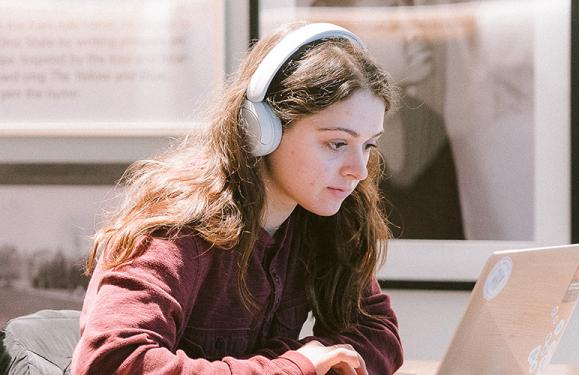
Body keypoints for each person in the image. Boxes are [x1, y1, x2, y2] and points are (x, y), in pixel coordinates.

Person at [71, 22, 403, 375]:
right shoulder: (176, 229)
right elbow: (110, 361)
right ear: (261, 128)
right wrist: (292, 366)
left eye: (368, 145)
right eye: (337, 144)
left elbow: (376, 331)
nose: (359, 170)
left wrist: (303, 360)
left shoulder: (330, 216)